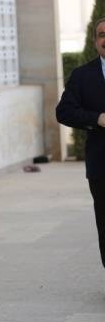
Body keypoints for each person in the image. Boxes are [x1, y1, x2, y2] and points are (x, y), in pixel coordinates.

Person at [56, 17, 105, 270]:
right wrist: (96, 119)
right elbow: (64, 112)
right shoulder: (82, 75)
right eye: (102, 35)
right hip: (101, 165)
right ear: (95, 41)